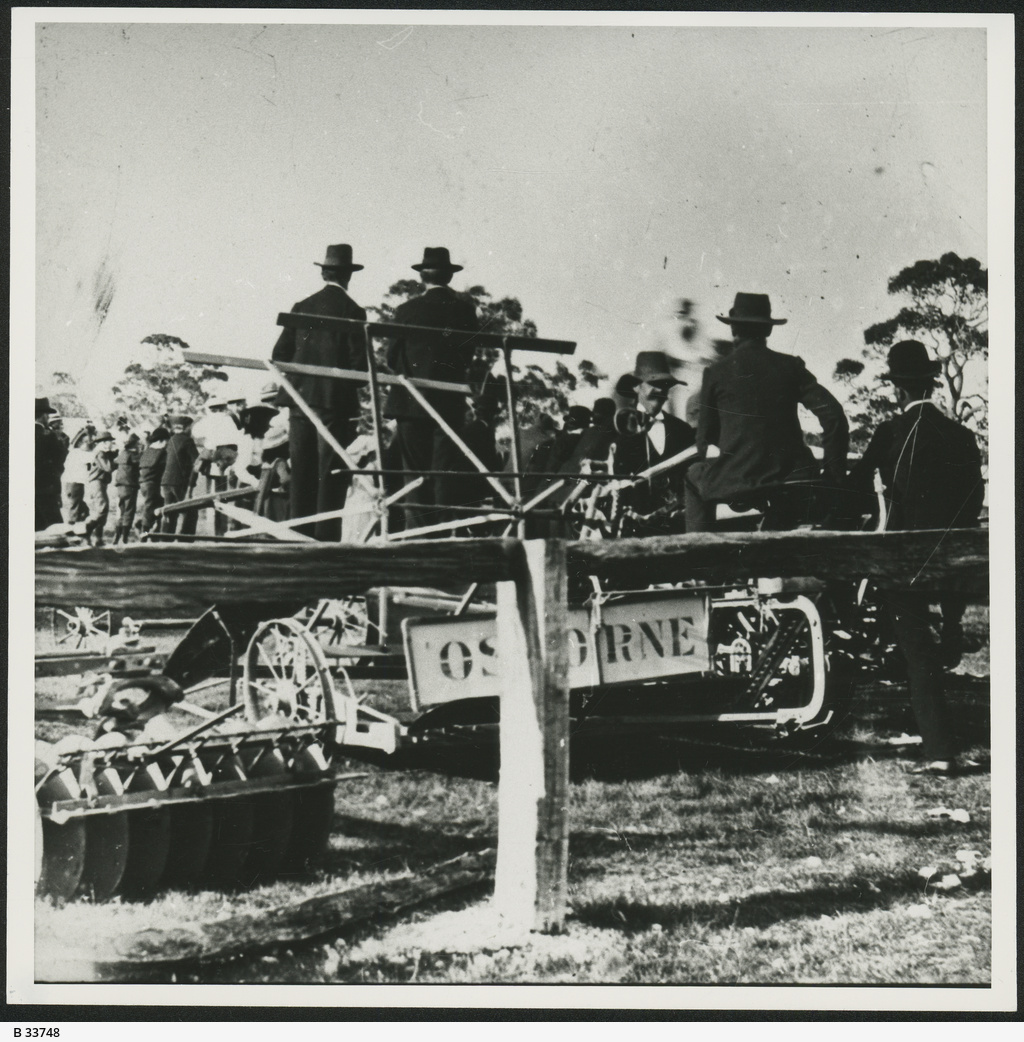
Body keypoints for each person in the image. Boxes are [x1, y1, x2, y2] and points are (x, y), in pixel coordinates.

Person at [845, 340, 985, 775]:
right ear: (931, 384)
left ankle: (940, 751)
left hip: (903, 561)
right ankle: (952, 635)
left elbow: (853, 489)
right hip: (952, 557)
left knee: (916, 656)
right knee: (936, 649)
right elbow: (973, 500)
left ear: (899, 390)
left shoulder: (889, 434)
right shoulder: (962, 436)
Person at [684, 292, 848, 532]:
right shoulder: (791, 366)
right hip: (794, 478)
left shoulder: (716, 373)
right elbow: (834, 416)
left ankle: (699, 555)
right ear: (768, 331)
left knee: (692, 475)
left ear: (733, 330)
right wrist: (834, 478)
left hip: (738, 480)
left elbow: (704, 441)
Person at [271, 243, 368, 540]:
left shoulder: (302, 306)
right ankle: (324, 541)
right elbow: (359, 368)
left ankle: (296, 540)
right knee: (330, 475)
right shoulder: (354, 311)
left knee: (301, 472)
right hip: (333, 405)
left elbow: (279, 353)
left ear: (324, 273)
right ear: (348, 276)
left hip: (300, 402)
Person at [382, 246, 480, 532]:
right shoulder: (464, 311)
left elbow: (391, 358)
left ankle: (416, 538)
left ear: (422, 276)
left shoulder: (406, 310)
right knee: (442, 472)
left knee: (414, 474)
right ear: (449, 276)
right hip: (448, 402)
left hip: (410, 402)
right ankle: (440, 534)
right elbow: (467, 356)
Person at [612, 352, 697, 535]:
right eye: (654, 384)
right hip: (633, 536)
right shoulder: (619, 430)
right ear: (636, 387)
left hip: (677, 533)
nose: (661, 391)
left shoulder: (682, 430)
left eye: (665, 385)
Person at [192, 396, 241, 536]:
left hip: (212, 459)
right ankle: (221, 529)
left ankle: (213, 528)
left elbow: (196, 433)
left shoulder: (207, 420)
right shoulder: (229, 419)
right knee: (223, 495)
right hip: (227, 460)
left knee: (211, 495)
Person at [160, 416, 199, 536]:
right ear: (186, 428)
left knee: (170, 511)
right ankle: (185, 540)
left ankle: (165, 539)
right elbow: (197, 462)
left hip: (166, 481)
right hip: (179, 482)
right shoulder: (187, 441)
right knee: (191, 511)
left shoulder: (170, 440)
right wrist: (192, 484)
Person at [35, 397, 67, 530]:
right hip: (46, 486)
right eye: (47, 415)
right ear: (43, 416)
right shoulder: (48, 436)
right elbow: (59, 458)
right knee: (53, 526)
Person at [84, 431, 116, 546]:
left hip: (98, 483)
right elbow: (108, 468)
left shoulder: (101, 452)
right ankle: (87, 530)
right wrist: (117, 460)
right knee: (102, 508)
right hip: (97, 483)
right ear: (104, 442)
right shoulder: (100, 453)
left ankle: (98, 538)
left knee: (102, 509)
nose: (112, 444)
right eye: (110, 442)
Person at [137, 427, 169, 534]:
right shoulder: (161, 453)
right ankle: (144, 529)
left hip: (143, 483)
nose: (167, 444)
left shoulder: (147, 451)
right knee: (150, 506)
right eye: (166, 442)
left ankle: (151, 527)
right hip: (152, 484)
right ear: (160, 441)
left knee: (157, 503)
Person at [112, 433, 142, 544]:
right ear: (134, 444)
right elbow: (141, 462)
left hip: (120, 486)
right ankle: (124, 537)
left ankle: (117, 535)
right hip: (130, 486)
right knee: (129, 511)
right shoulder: (133, 455)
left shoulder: (122, 454)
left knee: (120, 511)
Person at [62, 425, 94, 525]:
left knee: (79, 506)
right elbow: (93, 457)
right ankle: (72, 525)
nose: (89, 445)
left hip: (72, 483)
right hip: (74, 483)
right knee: (75, 506)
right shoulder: (79, 453)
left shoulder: (74, 452)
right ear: (80, 443)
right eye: (86, 442)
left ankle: (77, 524)